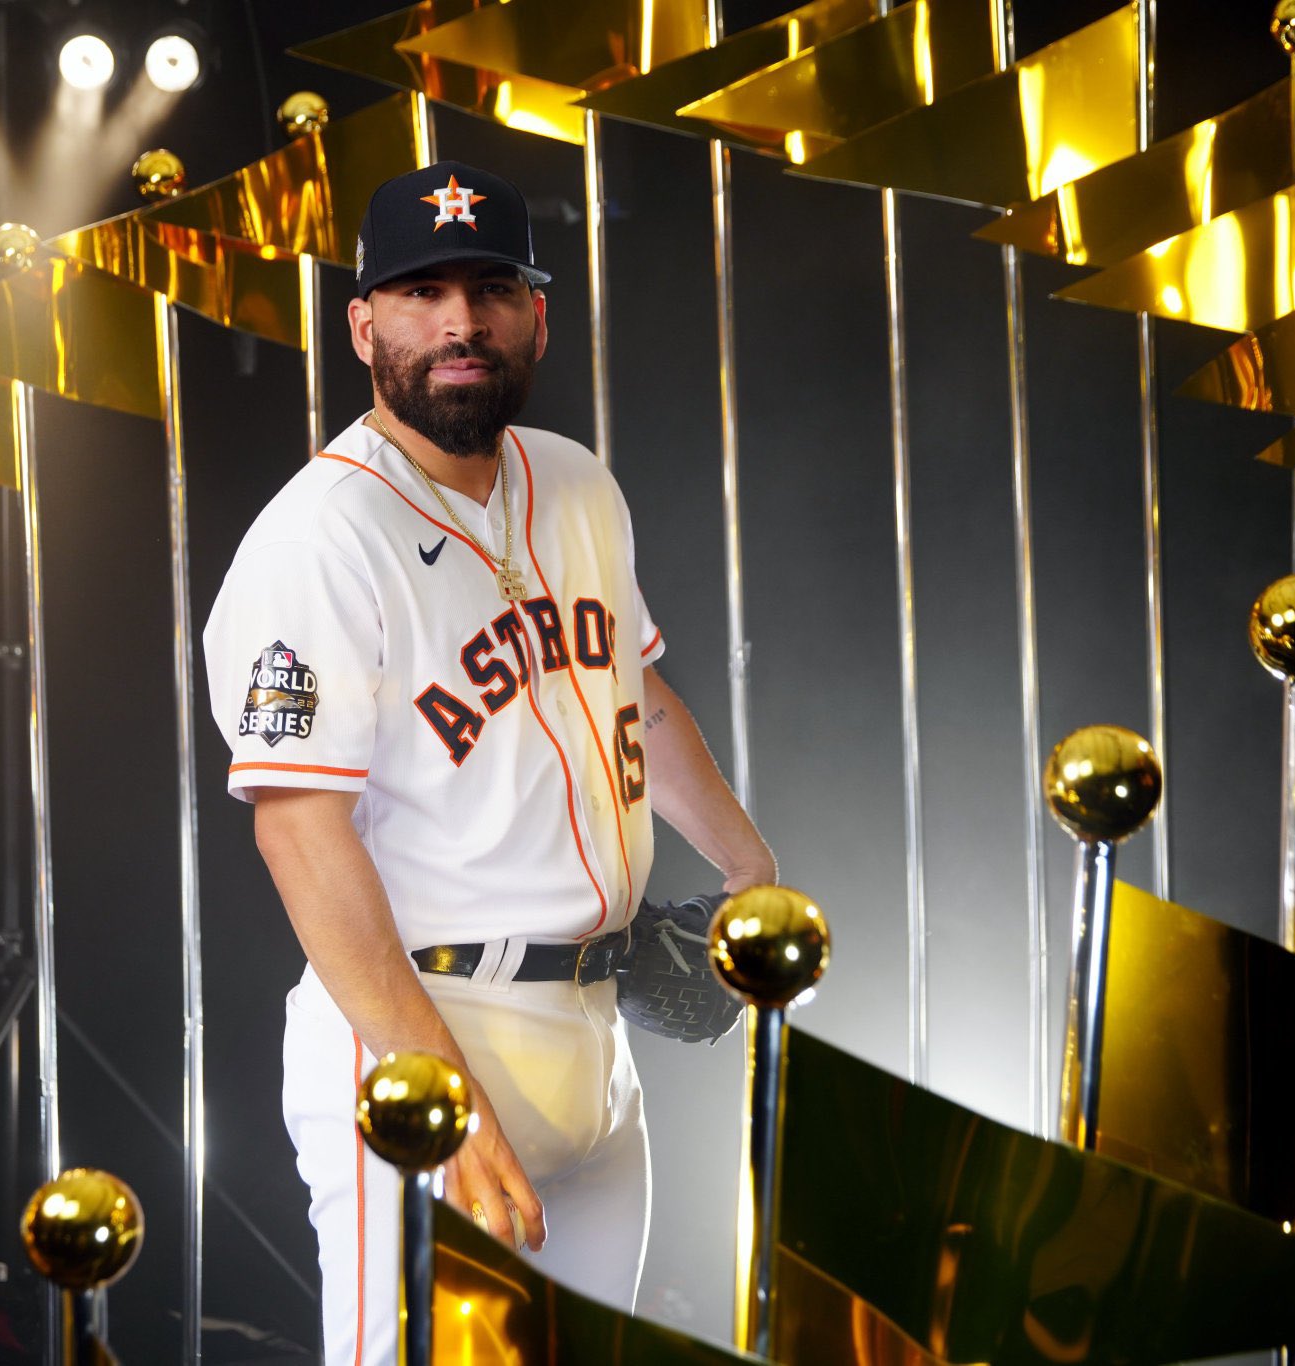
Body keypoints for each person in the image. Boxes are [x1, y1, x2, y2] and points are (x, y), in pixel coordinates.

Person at [201, 161, 778, 1363]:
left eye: (488, 287)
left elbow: (635, 687)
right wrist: (440, 1103)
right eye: (419, 293)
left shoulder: (573, 481)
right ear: (362, 325)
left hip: (592, 1034)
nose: (458, 321)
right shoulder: (316, 539)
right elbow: (294, 828)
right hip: (420, 1029)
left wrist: (744, 861)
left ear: (535, 314)